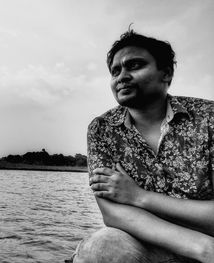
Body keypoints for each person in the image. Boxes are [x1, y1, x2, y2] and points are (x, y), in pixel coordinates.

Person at [71, 30, 214, 263]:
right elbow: (113, 213)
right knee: (101, 247)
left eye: (134, 65)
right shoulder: (103, 129)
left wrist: (140, 197)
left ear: (166, 73)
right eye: (115, 71)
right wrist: (202, 247)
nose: (122, 77)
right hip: (148, 242)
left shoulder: (209, 118)